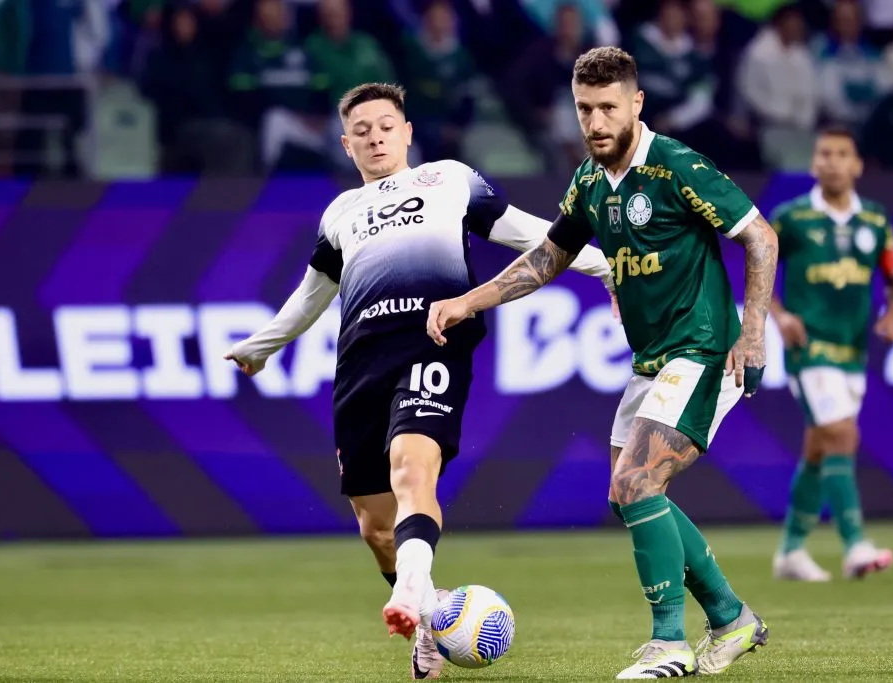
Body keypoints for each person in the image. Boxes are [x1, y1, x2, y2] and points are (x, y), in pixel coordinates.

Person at [224, 82, 613, 680]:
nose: (375, 136)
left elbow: (532, 234)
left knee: (412, 467)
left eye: (386, 125)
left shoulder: (449, 179)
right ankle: (432, 616)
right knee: (373, 524)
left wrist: (604, 265)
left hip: (433, 338)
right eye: (362, 131)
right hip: (359, 362)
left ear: (407, 133)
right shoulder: (340, 214)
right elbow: (311, 296)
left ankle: (408, 598)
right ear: (347, 144)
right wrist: (260, 348)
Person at [427, 47, 776, 679]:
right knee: (631, 496)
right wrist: (467, 302)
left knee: (636, 483)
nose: (594, 122)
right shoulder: (589, 181)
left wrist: (751, 334)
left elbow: (759, 235)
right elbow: (546, 259)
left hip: (703, 351)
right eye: (584, 108)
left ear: (636, 104)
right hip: (652, 361)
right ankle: (730, 617)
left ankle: (668, 644)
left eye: (608, 107)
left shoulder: (675, 165)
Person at [770, 127, 893, 582]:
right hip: (808, 349)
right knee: (842, 435)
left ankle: (791, 551)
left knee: (819, 446)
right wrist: (779, 314)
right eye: (823, 154)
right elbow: (759, 267)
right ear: (813, 164)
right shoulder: (791, 218)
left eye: (841, 154)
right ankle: (855, 546)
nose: (831, 161)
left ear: (857, 165)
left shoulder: (875, 220)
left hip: (852, 352)